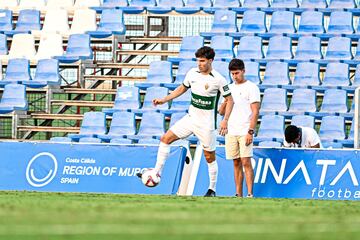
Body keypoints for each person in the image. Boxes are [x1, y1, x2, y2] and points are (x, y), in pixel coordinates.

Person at [137, 46, 234, 197]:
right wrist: (164, 99)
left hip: (206, 125)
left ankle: (212, 189)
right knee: (165, 139)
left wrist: (225, 121)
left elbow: (230, 100)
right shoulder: (192, 73)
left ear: (210, 61)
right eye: (198, 61)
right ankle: (156, 172)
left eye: (202, 61)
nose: (199, 64)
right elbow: (182, 89)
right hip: (190, 119)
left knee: (209, 157)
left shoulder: (219, 79)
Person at [219, 59, 260, 198]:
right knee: (235, 162)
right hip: (231, 130)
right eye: (232, 74)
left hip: (244, 130)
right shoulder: (228, 88)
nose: (235, 76)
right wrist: (225, 102)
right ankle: (238, 194)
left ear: (243, 71)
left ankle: (250, 193)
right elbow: (220, 111)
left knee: (246, 161)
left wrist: (250, 131)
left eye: (237, 73)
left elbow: (255, 111)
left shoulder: (252, 87)